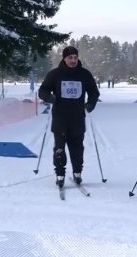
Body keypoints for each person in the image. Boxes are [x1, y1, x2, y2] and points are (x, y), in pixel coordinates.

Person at [38, 46, 100, 187]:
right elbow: (42, 91)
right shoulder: (55, 74)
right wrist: (50, 97)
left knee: (77, 148)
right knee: (59, 149)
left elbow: (94, 92)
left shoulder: (85, 75)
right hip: (60, 118)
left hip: (77, 118)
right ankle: (60, 174)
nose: (73, 60)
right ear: (64, 59)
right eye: (70, 58)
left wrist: (90, 104)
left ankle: (77, 173)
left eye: (75, 58)